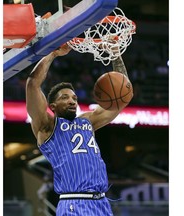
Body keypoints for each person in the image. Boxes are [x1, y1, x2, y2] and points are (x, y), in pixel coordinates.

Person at [26, 43, 133, 215]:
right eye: (65, 97)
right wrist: (52, 54)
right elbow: (33, 84)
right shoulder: (47, 126)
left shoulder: (87, 121)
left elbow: (121, 99)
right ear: (52, 106)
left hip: (102, 203)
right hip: (74, 202)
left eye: (74, 97)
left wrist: (115, 54)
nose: (72, 101)